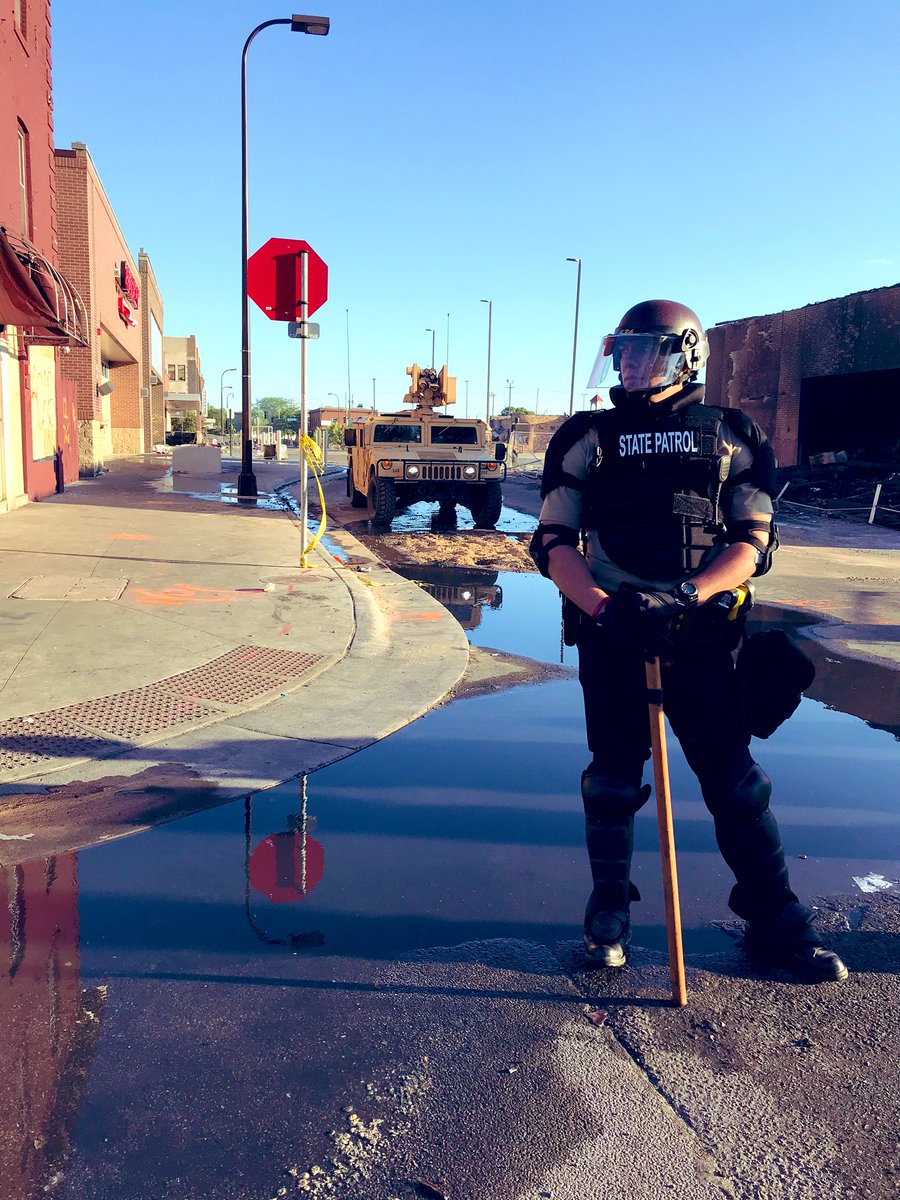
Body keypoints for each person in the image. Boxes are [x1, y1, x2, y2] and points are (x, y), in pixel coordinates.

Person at [531, 299, 847, 983]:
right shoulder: (585, 436)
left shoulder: (734, 433)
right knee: (611, 782)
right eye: (624, 352)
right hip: (612, 631)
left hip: (700, 632)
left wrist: (682, 596)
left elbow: (750, 544)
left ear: (686, 354)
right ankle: (608, 915)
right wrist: (603, 608)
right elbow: (554, 542)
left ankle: (776, 923)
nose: (632, 365)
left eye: (647, 351)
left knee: (737, 785)